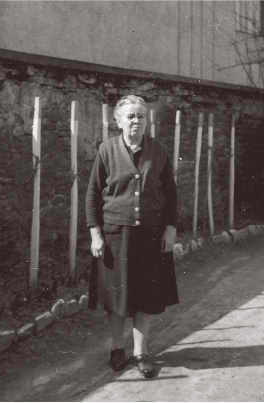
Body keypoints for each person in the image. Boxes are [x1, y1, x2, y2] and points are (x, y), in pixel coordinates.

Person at [86, 95, 179, 378]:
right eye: (130, 116)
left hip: (150, 235)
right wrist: (95, 234)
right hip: (116, 234)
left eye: (141, 116)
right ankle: (118, 348)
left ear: (146, 121)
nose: (136, 121)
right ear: (117, 121)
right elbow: (92, 194)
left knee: (146, 296)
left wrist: (170, 229)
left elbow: (171, 194)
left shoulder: (159, 150)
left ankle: (141, 352)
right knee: (116, 297)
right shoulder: (106, 150)